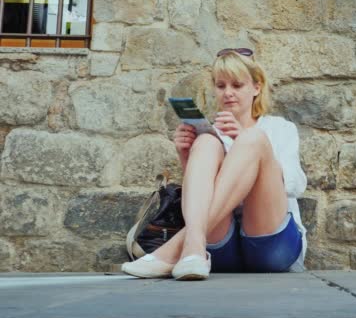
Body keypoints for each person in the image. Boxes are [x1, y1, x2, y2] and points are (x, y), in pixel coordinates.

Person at [121, 48, 307, 280]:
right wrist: (186, 155)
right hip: (220, 247)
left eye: (237, 85)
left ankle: (175, 248)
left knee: (254, 139)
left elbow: (296, 185)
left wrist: (248, 146)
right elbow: (198, 196)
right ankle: (193, 247)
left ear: (256, 88)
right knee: (207, 141)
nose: (228, 93)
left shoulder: (279, 128)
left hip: (270, 246)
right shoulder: (212, 134)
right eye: (221, 86)